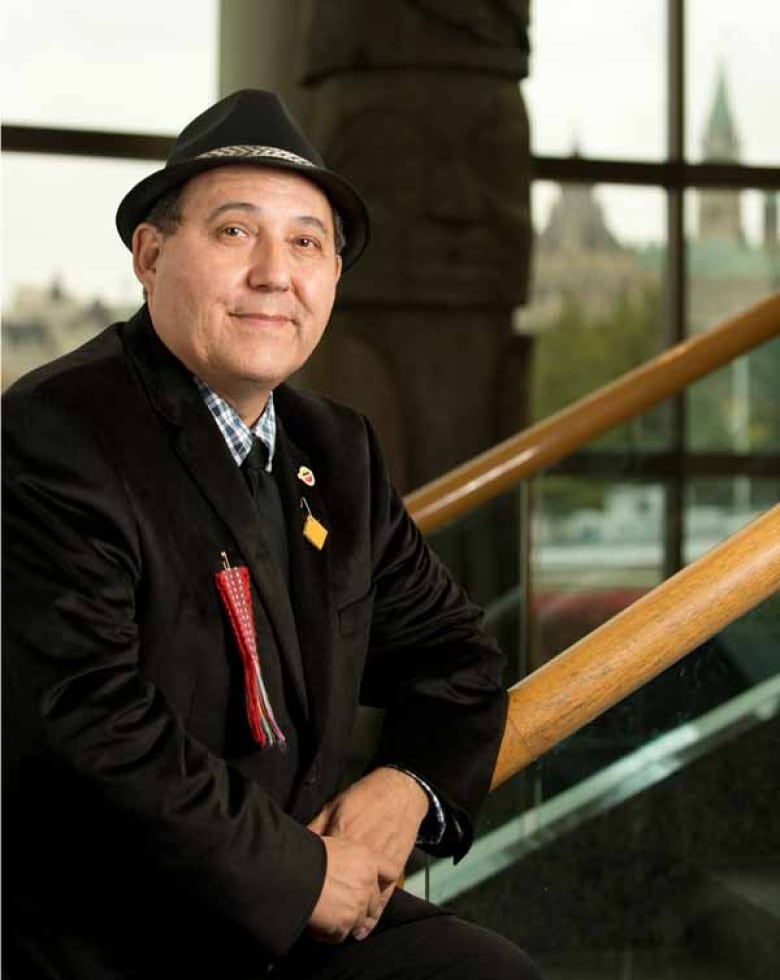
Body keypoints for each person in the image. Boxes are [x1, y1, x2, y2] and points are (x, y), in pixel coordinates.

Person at [2, 89, 542, 979]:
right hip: (119, 931)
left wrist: (408, 788)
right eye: (233, 233)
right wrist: (299, 875)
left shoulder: (337, 450)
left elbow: (457, 657)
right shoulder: (55, 434)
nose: (274, 274)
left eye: (307, 242)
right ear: (149, 253)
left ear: (332, 276)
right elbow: (89, 725)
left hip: (293, 919)